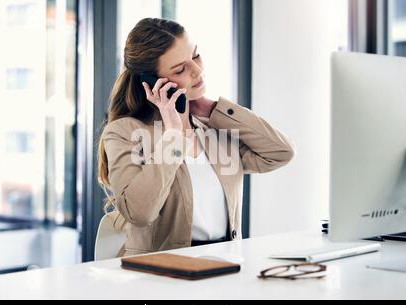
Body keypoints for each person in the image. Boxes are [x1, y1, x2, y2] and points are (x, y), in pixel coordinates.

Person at [98, 18, 295, 257]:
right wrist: (172, 134)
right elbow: (140, 213)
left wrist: (214, 110)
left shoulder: (215, 128)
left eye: (196, 55)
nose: (197, 71)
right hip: (159, 276)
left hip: (225, 267)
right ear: (152, 84)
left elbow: (280, 152)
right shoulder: (125, 132)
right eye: (180, 69)